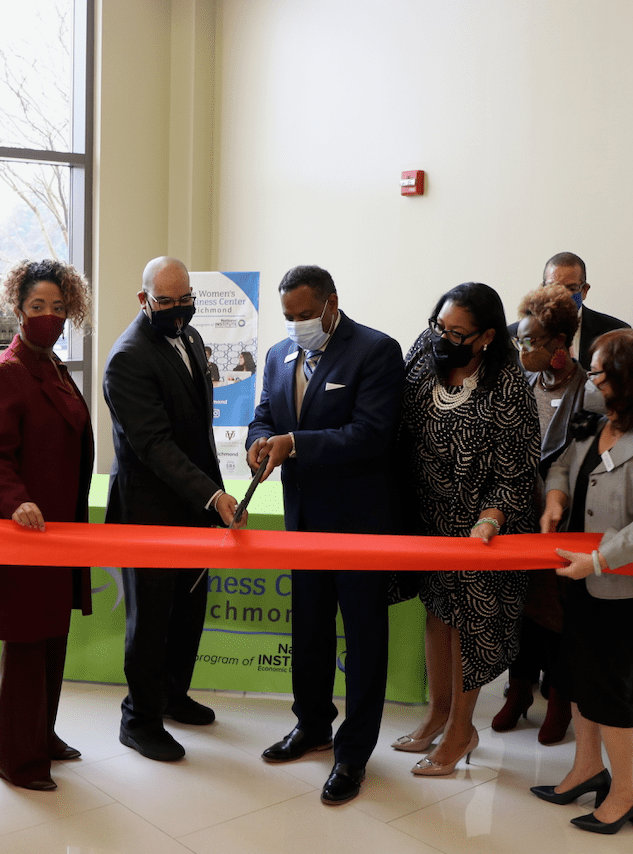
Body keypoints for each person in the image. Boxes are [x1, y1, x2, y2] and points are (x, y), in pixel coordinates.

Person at [246, 265, 403, 805]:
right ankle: (311, 725)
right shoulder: (277, 355)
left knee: (362, 640)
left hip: (360, 522)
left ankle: (353, 752)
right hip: (303, 520)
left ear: (332, 303)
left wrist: (296, 443)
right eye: (288, 317)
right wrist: (262, 440)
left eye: (306, 315)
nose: (296, 325)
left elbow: (371, 434)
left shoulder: (376, 351)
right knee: (308, 628)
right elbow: (264, 414)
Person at [532, 329, 633, 834]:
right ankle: (588, 767)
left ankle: (628, 791)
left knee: (609, 684)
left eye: (600, 373)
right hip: (582, 573)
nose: (591, 381)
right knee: (577, 674)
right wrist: (556, 499)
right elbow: (560, 463)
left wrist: (598, 561)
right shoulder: (596, 418)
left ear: (630, 378)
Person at [0, 258, 94, 791]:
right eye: (39, 307)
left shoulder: (54, 366)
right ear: (18, 308)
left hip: (59, 532)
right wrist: (16, 502)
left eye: (59, 308)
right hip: (23, 531)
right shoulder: (7, 372)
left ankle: (42, 735)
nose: (50, 316)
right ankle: (15, 756)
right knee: (27, 644)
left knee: (52, 637)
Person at [392, 282, 539, 776]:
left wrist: (489, 520)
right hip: (427, 519)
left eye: (457, 332)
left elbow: (517, 473)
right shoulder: (422, 351)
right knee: (436, 613)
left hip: (481, 527)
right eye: (440, 326)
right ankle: (437, 713)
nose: (443, 337)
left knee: (468, 626)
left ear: (486, 337)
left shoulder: (509, 387)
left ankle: (462, 728)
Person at [104, 256, 245, 762]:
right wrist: (211, 494)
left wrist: (215, 493)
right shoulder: (127, 358)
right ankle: (138, 719)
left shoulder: (188, 336)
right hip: (148, 515)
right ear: (144, 300)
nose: (180, 310)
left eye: (187, 299)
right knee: (151, 620)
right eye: (168, 302)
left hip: (194, 507)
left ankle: (171, 695)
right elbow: (156, 445)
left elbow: (199, 435)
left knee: (189, 610)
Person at [493, 283, 586, 744]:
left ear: (559, 348)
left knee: (556, 612)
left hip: (564, 521)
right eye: (520, 340)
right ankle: (519, 689)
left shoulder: (589, 389)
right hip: (518, 515)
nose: (521, 349)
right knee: (519, 607)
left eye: (530, 342)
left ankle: (562, 699)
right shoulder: (521, 383)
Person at [507, 253, 629, 369]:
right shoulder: (514, 336)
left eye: (571, 288)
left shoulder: (617, 334)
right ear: (542, 289)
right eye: (553, 287)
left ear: (584, 290)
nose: (562, 294)